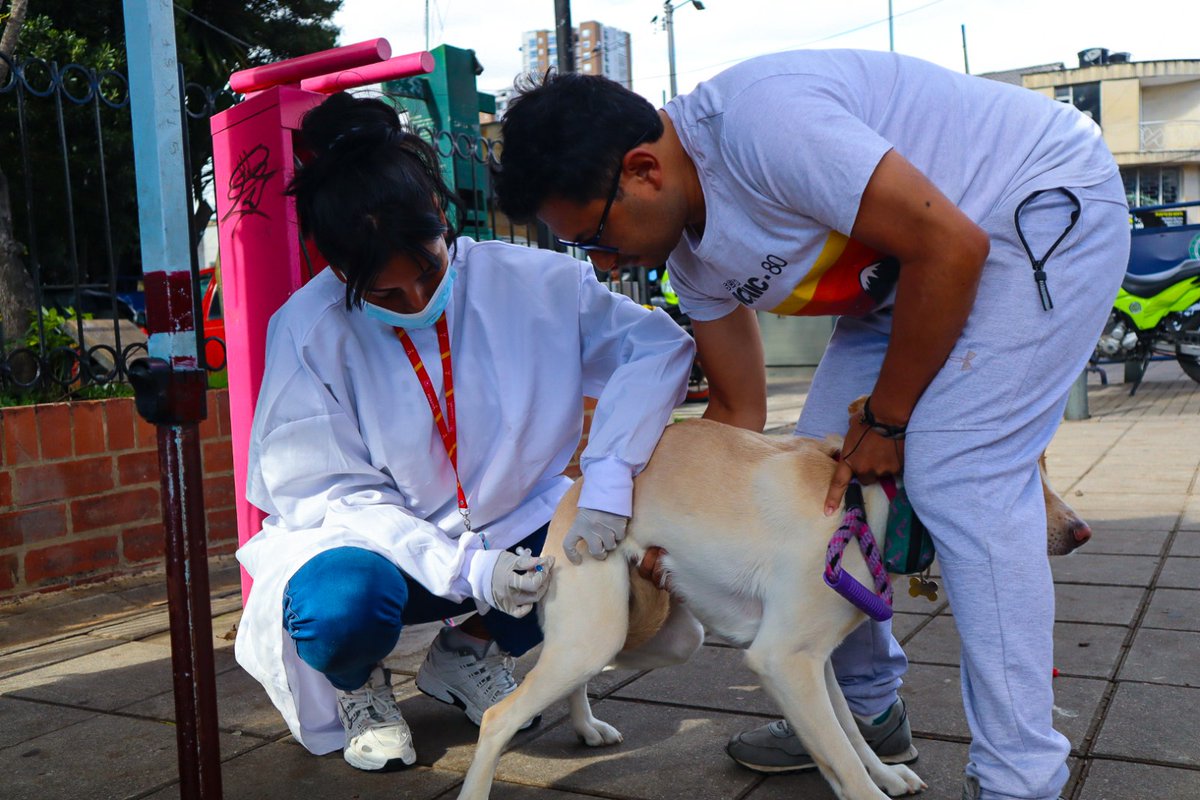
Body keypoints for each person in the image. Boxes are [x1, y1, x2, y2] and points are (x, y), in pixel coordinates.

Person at [494, 50, 1129, 800]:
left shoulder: (763, 125)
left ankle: (1020, 778)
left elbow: (951, 246)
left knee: (962, 478)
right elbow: (740, 417)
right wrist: (660, 531)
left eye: (596, 237)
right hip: (900, 285)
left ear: (644, 171)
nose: (601, 266)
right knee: (821, 487)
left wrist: (890, 421)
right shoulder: (692, 263)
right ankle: (862, 712)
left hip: (1028, 214)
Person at [234, 92, 695, 773]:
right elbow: (332, 493)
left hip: (507, 530)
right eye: (386, 296)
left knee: (606, 553)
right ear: (335, 269)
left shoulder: (533, 282)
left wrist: (605, 481)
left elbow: (657, 348)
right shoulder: (308, 330)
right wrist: (469, 567)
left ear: (444, 220)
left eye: (428, 272)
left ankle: (468, 650)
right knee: (341, 605)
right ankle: (358, 684)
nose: (417, 302)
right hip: (377, 551)